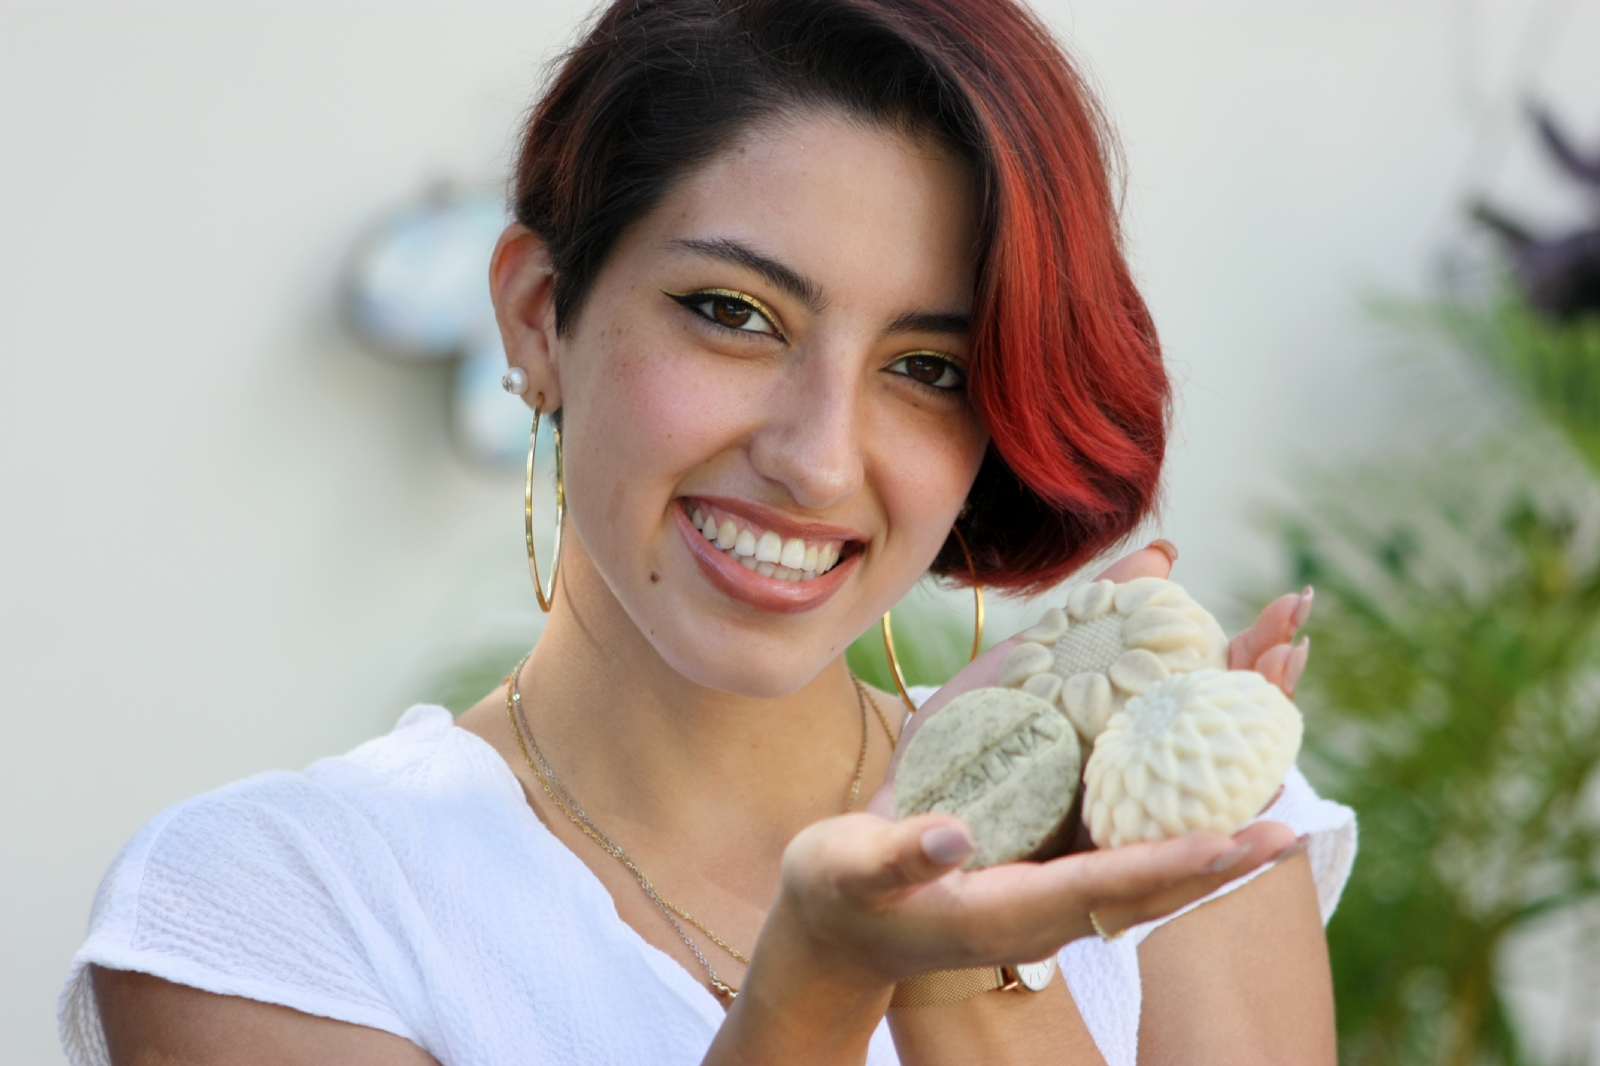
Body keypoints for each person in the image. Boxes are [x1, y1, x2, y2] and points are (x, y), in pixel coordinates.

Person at [60, 0, 1356, 1063]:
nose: (816, 455)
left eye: (930, 368)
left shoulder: (1184, 847)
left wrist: (961, 975)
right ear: (536, 313)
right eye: (735, 313)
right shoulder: (283, 907)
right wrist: (815, 987)